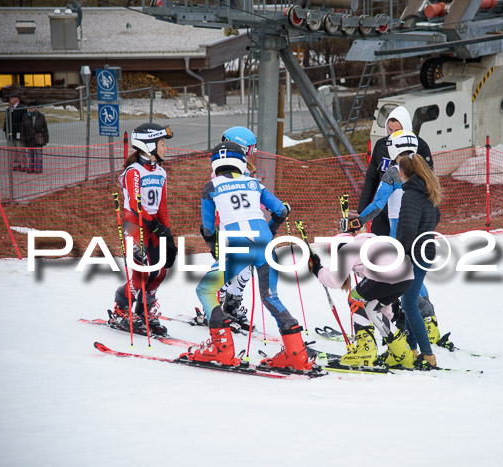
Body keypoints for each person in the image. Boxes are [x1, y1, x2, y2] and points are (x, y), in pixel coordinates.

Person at [190, 141, 311, 372]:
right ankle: (295, 353)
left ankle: (221, 348)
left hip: (238, 247)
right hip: (265, 245)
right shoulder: (255, 183)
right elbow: (281, 210)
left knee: (205, 289)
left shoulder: (211, 186)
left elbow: (207, 229)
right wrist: (271, 229)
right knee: (270, 297)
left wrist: (215, 248)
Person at [342, 129, 444, 347]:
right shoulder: (422, 168)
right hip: (422, 229)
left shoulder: (393, 172)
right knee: (414, 281)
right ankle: (429, 323)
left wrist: (357, 221)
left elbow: (378, 204)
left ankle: (413, 330)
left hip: (400, 229)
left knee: (399, 279)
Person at [309, 233, 417, 369]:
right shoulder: (367, 243)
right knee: (372, 309)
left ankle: (365, 351)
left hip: (386, 275)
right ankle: (402, 352)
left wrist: (318, 270)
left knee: (355, 298)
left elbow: (336, 281)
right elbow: (380, 292)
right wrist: (386, 324)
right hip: (406, 277)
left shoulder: (347, 249)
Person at [109, 123, 177, 336]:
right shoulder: (134, 171)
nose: (165, 148)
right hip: (135, 226)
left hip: (154, 228)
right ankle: (122, 306)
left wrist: (168, 233)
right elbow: (135, 206)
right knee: (140, 274)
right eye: (162, 144)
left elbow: (162, 206)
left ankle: (145, 309)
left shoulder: (161, 172)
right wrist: (153, 224)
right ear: (148, 146)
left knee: (161, 270)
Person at [396, 152, 442, 368]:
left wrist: (399, 253)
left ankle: (427, 354)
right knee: (410, 302)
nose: (397, 172)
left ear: (405, 172)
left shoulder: (411, 195)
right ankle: (411, 348)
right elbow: (436, 216)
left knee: (408, 304)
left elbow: (407, 228)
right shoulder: (427, 190)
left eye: (399, 169)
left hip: (413, 254)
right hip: (426, 251)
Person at [357, 105, 433, 236]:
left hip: (410, 213)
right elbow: (371, 179)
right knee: (381, 247)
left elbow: (428, 182)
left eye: (397, 131)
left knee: (404, 248)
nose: (392, 135)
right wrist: (361, 213)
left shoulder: (420, 146)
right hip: (384, 212)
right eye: (389, 130)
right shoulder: (382, 145)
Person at [20, 102, 49, 174]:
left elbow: (45, 128)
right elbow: (23, 128)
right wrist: (23, 138)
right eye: (30, 108)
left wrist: (46, 139)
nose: (31, 109)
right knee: (30, 155)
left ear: (36, 108)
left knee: (38, 155)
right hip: (29, 139)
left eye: (32, 108)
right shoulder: (26, 116)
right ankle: (31, 168)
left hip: (38, 138)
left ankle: (38, 168)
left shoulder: (41, 116)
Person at [3, 93, 25, 171]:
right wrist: (5, 129)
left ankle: (23, 165)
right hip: (10, 133)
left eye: (12, 98)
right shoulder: (9, 109)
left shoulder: (22, 108)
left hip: (18, 133)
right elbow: (6, 121)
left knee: (20, 149)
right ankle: (16, 164)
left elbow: (24, 121)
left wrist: (21, 132)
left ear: (17, 99)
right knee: (13, 150)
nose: (10, 99)